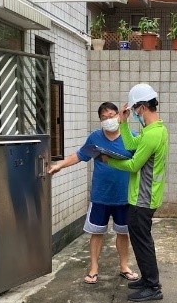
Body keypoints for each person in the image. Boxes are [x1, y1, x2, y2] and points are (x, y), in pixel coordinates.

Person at [48, 102, 139, 285]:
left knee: (123, 232)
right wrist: (59, 165)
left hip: (124, 195)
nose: (108, 120)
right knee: (96, 233)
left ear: (120, 115)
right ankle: (94, 268)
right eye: (104, 118)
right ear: (100, 120)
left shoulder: (131, 138)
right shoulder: (95, 137)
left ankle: (124, 266)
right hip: (101, 195)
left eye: (112, 115)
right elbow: (80, 155)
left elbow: (141, 160)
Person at [102, 84, 169, 302]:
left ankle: (153, 286)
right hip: (142, 196)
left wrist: (109, 160)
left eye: (134, 109)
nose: (134, 112)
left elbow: (132, 165)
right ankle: (147, 279)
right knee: (140, 240)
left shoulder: (152, 135)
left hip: (144, 198)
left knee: (142, 241)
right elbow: (130, 145)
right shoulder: (152, 130)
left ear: (141, 107)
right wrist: (124, 122)